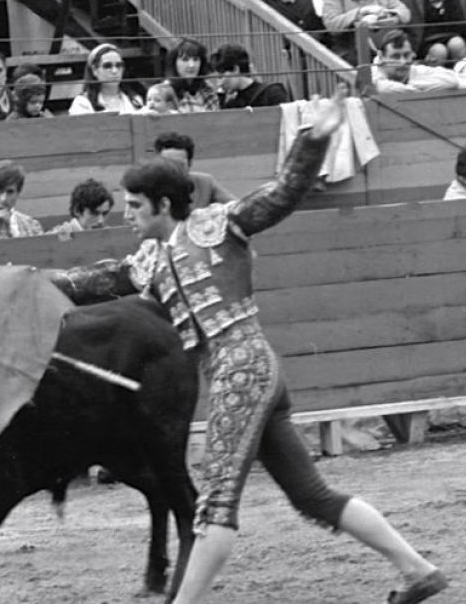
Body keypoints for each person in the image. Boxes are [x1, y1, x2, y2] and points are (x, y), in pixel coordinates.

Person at [49, 93, 446, 604]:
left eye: (134, 206)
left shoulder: (218, 225)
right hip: (252, 369)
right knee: (311, 495)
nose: (126, 214)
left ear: (163, 205)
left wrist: (315, 137)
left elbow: (283, 192)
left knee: (213, 507)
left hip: (240, 372)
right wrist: (31, 282)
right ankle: (418, 571)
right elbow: (93, 280)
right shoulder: (148, 259)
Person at [372, 29, 466, 91]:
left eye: (406, 55)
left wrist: (414, 87)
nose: (403, 62)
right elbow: (382, 88)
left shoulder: (417, 70)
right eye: (395, 57)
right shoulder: (372, 74)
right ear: (381, 57)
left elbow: (451, 81)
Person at [154, 131, 237, 210]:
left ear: (190, 163)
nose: (173, 169)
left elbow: (237, 208)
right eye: (166, 164)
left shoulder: (205, 183)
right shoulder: (147, 187)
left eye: (179, 165)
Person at [69, 43, 145, 115]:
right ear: (94, 70)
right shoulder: (83, 103)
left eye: (119, 65)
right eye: (107, 66)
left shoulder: (136, 101)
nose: (114, 71)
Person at [211, 43, 290, 108]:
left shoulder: (272, 92)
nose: (219, 83)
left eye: (221, 77)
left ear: (235, 69)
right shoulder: (231, 104)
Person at [164, 38, 220, 113]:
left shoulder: (208, 88)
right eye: (185, 60)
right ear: (174, 63)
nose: (191, 65)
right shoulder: (164, 90)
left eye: (196, 59)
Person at [49, 178, 115, 236]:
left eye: (105, 214)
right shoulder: (59, 236)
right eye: (94, 213)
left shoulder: (109, 236)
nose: (101, 220)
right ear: (77, 210)